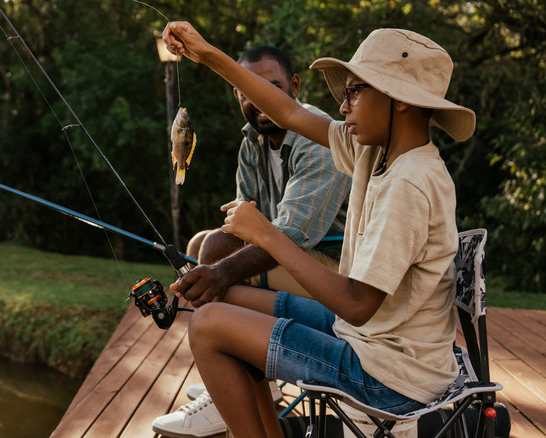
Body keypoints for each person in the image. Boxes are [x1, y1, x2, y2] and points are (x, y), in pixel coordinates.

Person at [160, 22, 474, 438]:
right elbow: (288, 111)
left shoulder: (410, 183)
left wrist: (266, 233)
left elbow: (359, 303)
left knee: (207, 325)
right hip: (370, 342)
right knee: (223, 296)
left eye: (354, 91)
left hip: (391, 376)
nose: (343, 107)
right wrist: (208, 54)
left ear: (399, 99)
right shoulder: (375, 153)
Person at [151, 46, 350, 438]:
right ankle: (234, 380)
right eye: (247, 90)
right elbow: (239, 226)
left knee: (221, 282)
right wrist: (211, 261)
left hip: (337, 271)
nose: (258, 99)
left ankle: (228, 385)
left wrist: (220, 273)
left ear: (293, 86)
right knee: (199, 246)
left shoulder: (319, 136)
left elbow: (292, 235)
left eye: (270, 86)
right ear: (237, 94)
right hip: (293, 259)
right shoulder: (252, 143)